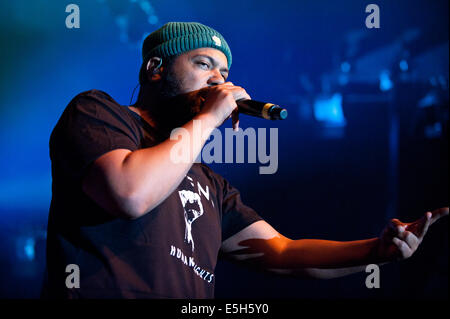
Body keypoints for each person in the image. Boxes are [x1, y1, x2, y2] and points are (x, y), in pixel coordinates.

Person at [42, 22, 448, 299]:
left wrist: (376, 251)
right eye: (203, 65)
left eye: (225, 71)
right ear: (155, 69)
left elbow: (283, 254)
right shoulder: (99, 112)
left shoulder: (209, 183)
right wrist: (208, 118)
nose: (219, 80)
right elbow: (130, 194)